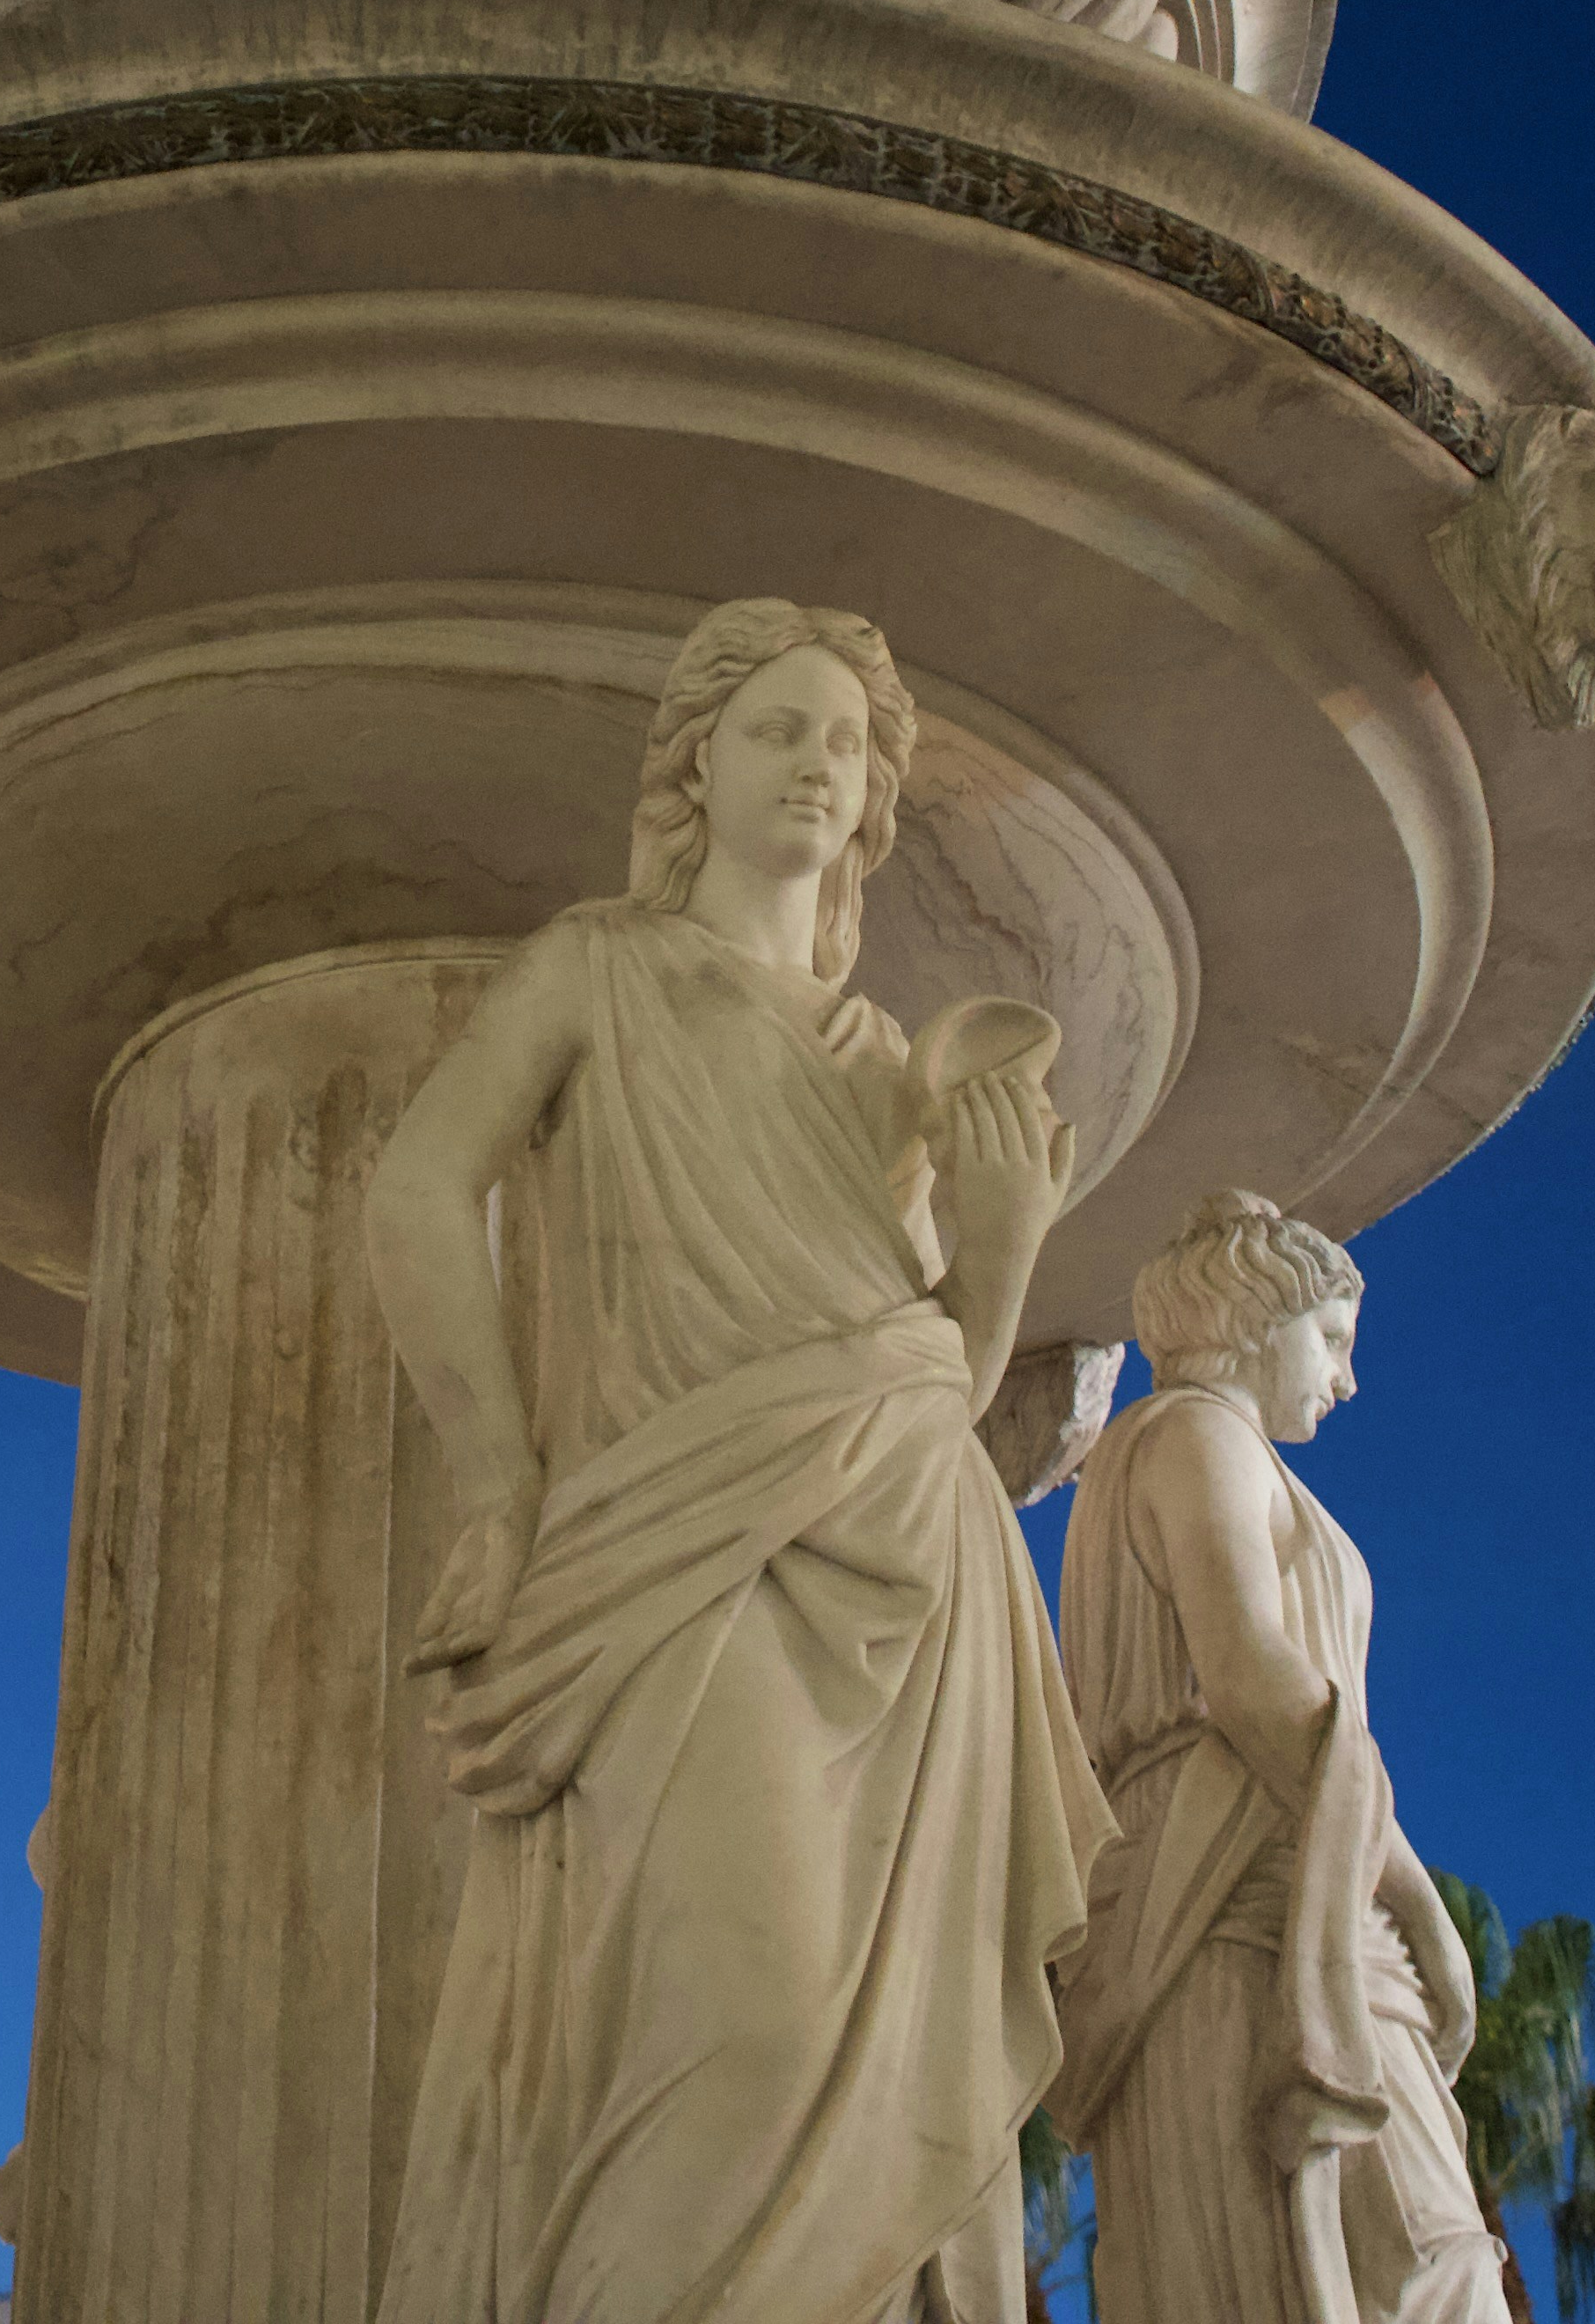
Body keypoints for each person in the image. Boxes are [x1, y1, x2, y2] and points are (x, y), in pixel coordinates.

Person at [366, 598, 1114, 2324]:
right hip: (680, 1542)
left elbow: (933, 1370)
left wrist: (1002, 1238)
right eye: (778, 725)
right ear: (696, 756)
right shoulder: (600, 964)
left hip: (919, 1569)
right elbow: (418, 1187)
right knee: (747, 2031)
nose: (815, 763)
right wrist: (499, 1475)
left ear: (870, 809)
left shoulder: (883, 1063)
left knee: (914, 2089)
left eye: (845, 744)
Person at [1052, 1193, 1504, 2324]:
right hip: (1242, 1875)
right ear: (1256, 1315)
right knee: (1416, 2261)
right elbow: (1253, 1680)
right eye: (1334, 1339)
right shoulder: (1196, 1433)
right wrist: (1417, 1901)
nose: (1346, 1380)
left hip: (1256, 1867)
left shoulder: (1164, 1450)